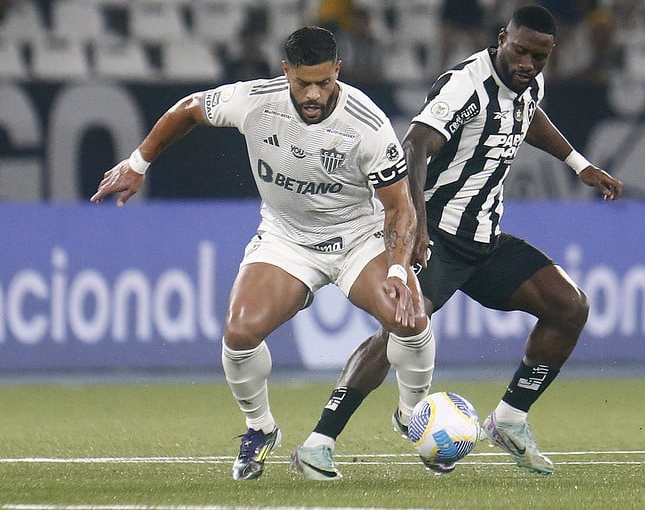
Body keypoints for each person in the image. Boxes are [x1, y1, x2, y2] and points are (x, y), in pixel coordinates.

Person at [90, 26, 435, 482]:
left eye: (324, 83)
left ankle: (413, 414)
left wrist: (395, 266)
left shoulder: (368, 127)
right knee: (239, 333)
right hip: (286, 237)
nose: (313, 94)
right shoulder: (254, 99)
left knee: (408, 317)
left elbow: (399, 206)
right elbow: (189, 108)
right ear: (285, 71)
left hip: (357, 236)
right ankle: (260, 428)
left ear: (338, 72)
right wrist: (138, 163)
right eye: (302, 82)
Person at [304, 5, 623, 476]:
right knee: (402, 326)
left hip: (485, 240)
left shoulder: (526, 84)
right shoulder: (465, 86)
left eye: (539, 57)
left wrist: (580, 164)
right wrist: (417, 223)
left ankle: (509, 419)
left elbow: (529, 115)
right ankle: (318, 441)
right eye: (520, 52)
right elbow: (414, 143)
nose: (528, 65)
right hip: (440, 239)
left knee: (569, 306)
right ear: (502, 38)